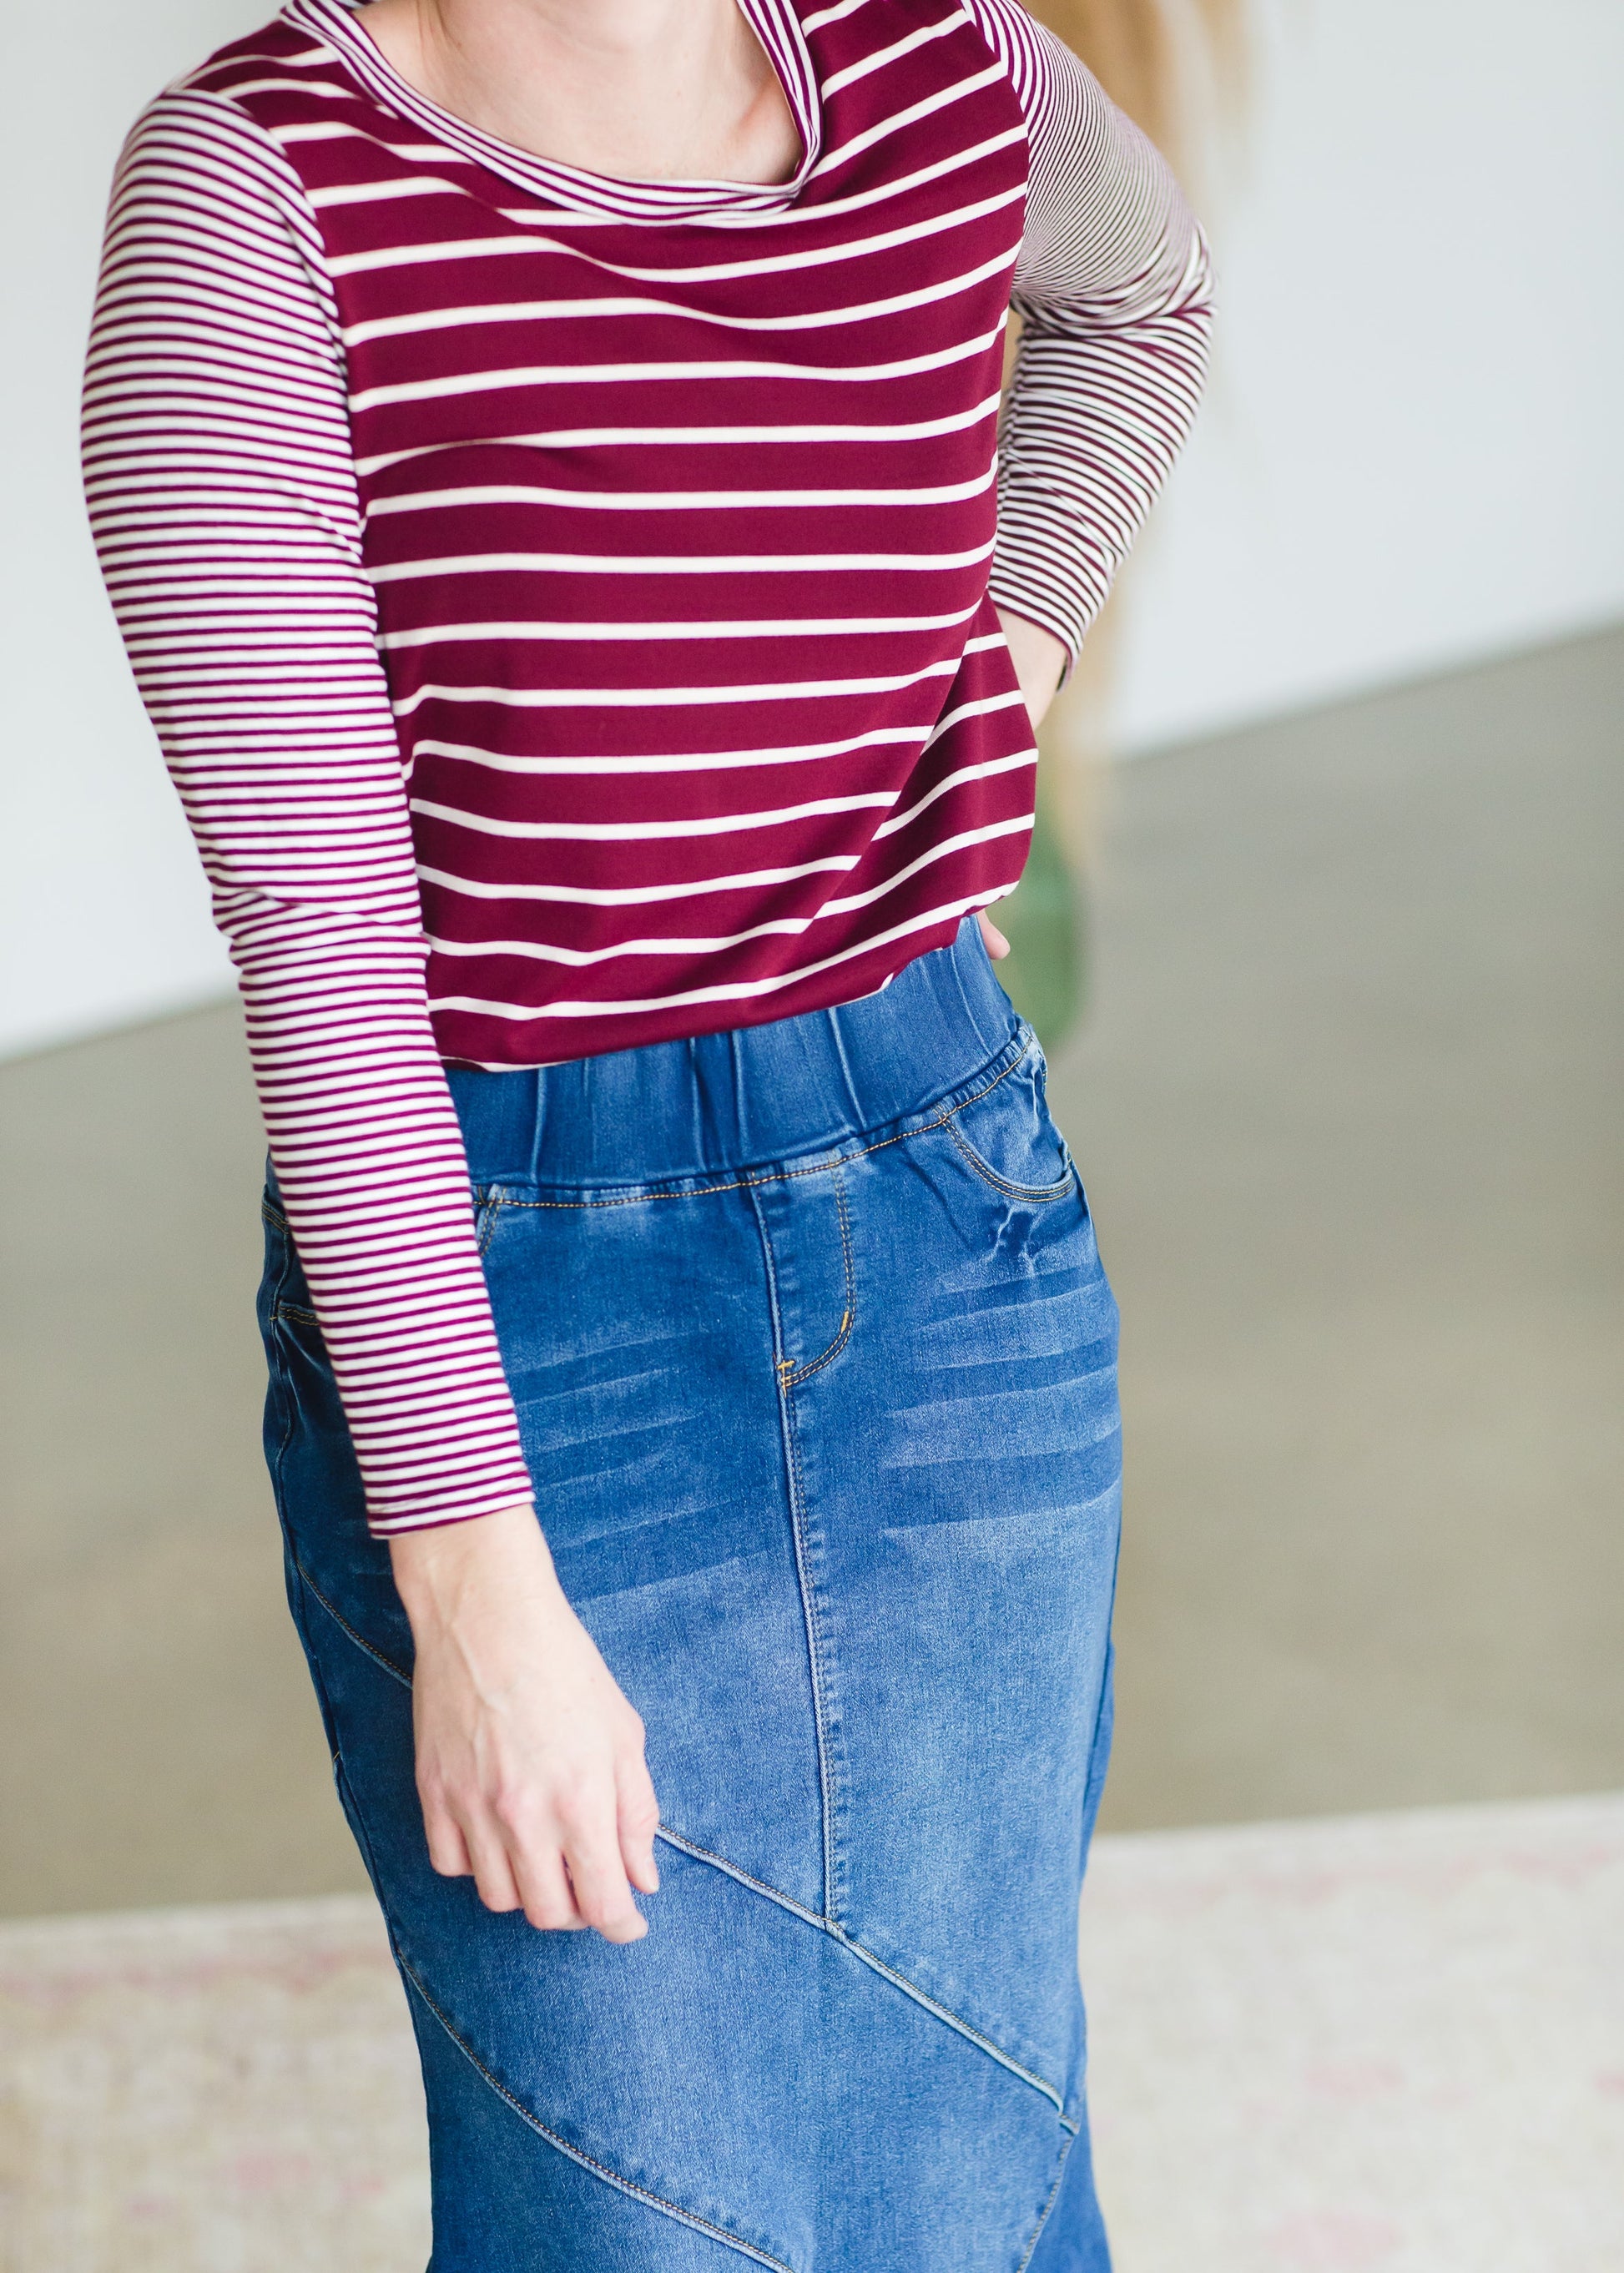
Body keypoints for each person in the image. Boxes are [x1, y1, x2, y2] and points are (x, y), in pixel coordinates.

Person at [83, 0, 1209, 2260]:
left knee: (967, 2137)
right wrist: (473, 1578)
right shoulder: (251, 199)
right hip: (517, 1266)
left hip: (939, 1176)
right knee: (627, 2202)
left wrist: (1018, 628)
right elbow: (325, 939)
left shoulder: (942, 68)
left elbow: (1135, 298)